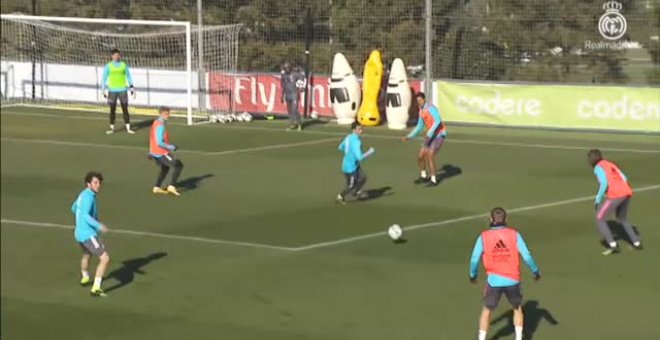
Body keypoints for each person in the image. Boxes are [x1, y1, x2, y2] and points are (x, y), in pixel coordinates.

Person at [469, 207, 541, 340]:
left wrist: (472, 275)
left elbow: (474, 258)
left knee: (487, 310)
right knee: (517, 308)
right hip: (513, 280)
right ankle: (519, 338)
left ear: (491, 219)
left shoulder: (483, 236)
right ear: (505, 219)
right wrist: (535, 271)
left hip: (493, 281)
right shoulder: (514, 234)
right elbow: (526, 255)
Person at [588, 149, 642, 255]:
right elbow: (624, 177)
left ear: (594, 158)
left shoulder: (598, 168)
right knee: (622, 219)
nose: (588, 160)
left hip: (616, 195)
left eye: (590, 157)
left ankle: (613, 245)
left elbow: (603, 183)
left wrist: (598, 199)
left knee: (600, 218)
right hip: (626, 192)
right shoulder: (609, 163)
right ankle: (636, 243)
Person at [71, 171, 110, 297]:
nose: (98, 185)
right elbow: (85, 215)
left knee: (87, 254)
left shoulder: (82, 195)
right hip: (87, 234)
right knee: (105, 259)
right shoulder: (88, 197)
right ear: (88, 184)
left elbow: (73, 208)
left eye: (99, 182)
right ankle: (96, 288)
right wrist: (99, 225)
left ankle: (85, 276)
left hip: (78, 233)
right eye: (95, 182)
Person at [401, 92, 446, 186]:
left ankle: (433, 180)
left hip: (439, 135)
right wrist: (409, 136)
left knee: (430, 155)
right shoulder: (421, 111)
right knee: (420, 156)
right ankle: (423, 176)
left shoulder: (431, 108)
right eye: (417, 101)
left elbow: (437, 121)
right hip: (429, 136)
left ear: (424, 99)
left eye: (420, 100)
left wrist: (430, 132)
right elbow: (419, 126)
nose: (419, 102)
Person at [336, 121, 375, 204]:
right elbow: (360, 157)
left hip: (354, 165)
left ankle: (355, 192)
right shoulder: (357, 142)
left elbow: (340, 147)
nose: (361, 131)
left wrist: (349, 153)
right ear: (354, 130)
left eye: (361, 129)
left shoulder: (348, 137)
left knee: (363, 177)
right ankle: (340, 196)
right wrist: (370, 152)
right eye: (359, 129)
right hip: (349, 168)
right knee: (350, 185)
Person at [149, 106, 183, 196]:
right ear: (160, 114)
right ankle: (172, 186)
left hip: (155, 151)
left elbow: (152, 138)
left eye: (168, 113)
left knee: (165, 167)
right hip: (160, 152)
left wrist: (150, 151)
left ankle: (157, 187)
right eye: (165, 114)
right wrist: (171, 147)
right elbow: (159, 142)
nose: (167, 115)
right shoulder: (160, 125)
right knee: (178, 165)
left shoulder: (156, 122)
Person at [102, 48, 135, 134]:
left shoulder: (123, 65)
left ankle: (128, 128)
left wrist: (132, 87)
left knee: (125, 108)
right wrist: (103, 89)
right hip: (112, 90)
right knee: (112, 109)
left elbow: (128, 76)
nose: (117, 57)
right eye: (115, 55)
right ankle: (111, 128)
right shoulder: (108, 66)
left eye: (118, 55)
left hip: (122, 90)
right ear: (112, 56)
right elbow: (104, 78)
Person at [280, 62, 304, 131]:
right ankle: (292, 123)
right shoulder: (284, 75)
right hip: (287, 94)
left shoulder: (295, 74)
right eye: (285, 68)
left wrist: (301, 87)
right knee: (289, 110)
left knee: (294, 109)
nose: (287, 69)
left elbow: (302, 78)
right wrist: (282, 95)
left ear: (290, 68)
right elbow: (283, 86)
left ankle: (299, 123)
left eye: (288, 68)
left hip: (294, 93)